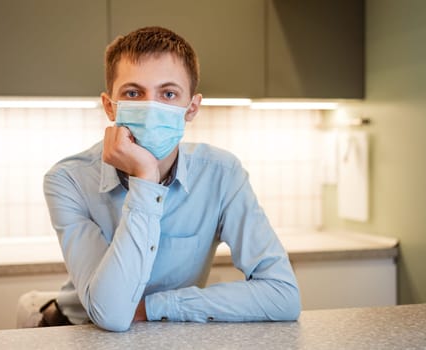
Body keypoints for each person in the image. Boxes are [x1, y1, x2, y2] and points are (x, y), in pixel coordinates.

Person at [42, 26, 301, 332]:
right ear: (110, 106)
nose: (151, 108)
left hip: (168, 328)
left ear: (191, 108)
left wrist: (152, 307)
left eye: (168, 94)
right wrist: (146, 180)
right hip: (75, 329)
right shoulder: (68, 180)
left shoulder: (222, 174)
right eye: (133, 93)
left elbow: (282, 295)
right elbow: (110, 314)